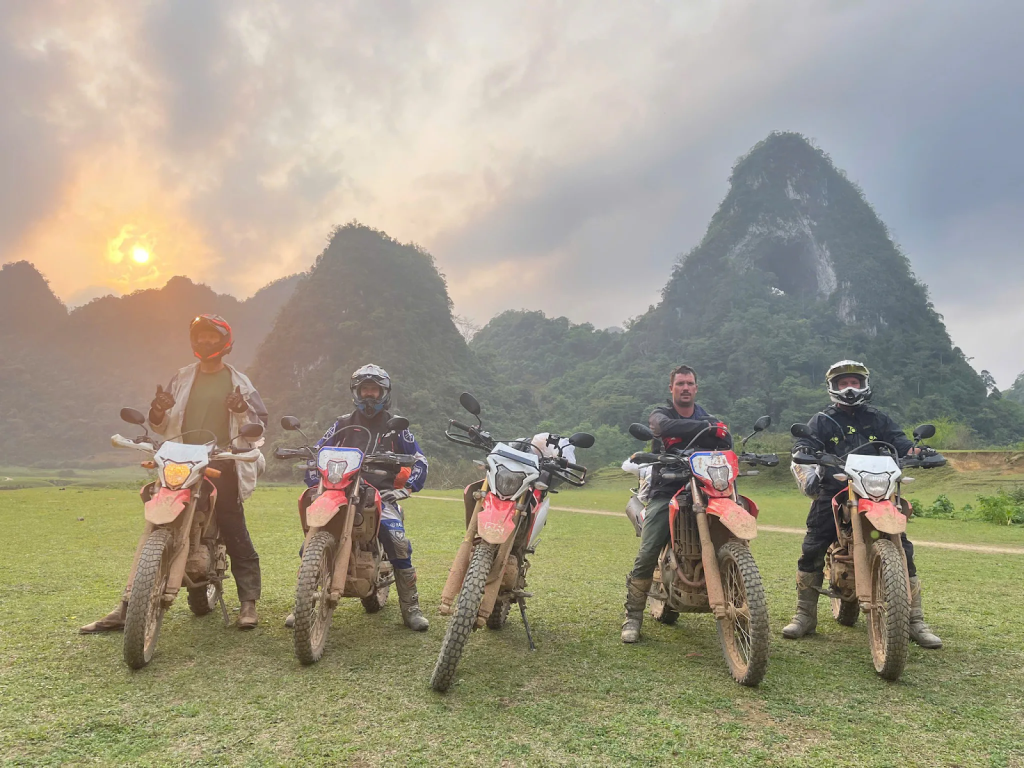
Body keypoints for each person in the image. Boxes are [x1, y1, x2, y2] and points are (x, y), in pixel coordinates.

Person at [80, 314, 268, 632]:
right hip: (179, 458)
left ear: (225, 343)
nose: (206, 342)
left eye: (213, 337)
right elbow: (163, 423)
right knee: (157, 523)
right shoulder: (181, 377)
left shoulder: (240, 382)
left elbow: (258, 426)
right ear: (194, 341)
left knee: (233, 524)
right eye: (201, 336)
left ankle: (248, 603)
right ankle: (127, 606)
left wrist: (240, 409)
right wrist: (156, 409)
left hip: (220, 460)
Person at [782, 360, 942, 648]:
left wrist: (921, 451)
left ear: (864, 384)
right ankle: (805, 615)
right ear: (833, 387)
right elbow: (804, 444)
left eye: (854, 381)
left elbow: (902, 444)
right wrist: (804, 450)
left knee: (902, 547)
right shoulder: (821, 420)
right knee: (814, 545)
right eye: (843, 383)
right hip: (836, 489)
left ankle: (915, 620)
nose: (849, 387)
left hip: (877, 491)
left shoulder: (879, 419)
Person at [285, 364, 430, 632]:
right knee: (310, 544)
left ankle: (411, 608)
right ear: (356, 391)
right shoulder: (342, 423)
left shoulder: (396, 427)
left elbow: (420, 459)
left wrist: (407, 487)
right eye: (364, 390)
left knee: (398, 543)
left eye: (374, 390)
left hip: (379, 494)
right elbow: (320, 449)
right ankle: (303, 604)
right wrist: (309, 462)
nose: (369, 396)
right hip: (340, 490)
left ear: (384, 393)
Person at [621, 364, 729, 643]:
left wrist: (712, 428)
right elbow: (663, 427)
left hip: (706, 487)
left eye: (689, 383)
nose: (685, 388)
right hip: (667, 488)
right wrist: (707, 428)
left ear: (696, 388)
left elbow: (726, 439)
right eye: (680, 383)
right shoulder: (661, 413)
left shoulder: (708, 415)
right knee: (648, 550)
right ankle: (633, 616)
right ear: (671, 388)